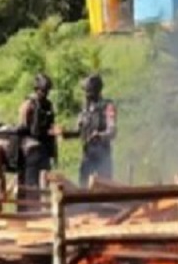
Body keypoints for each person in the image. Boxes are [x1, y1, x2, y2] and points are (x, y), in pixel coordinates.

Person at [62, 74, 117, 187]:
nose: (85, 94)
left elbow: (112, 131)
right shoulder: (85, 109)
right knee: (83, 188)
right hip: (87, 156)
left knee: (105, 189)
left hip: (103, 155)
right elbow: (78, 131)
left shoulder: (108, 106)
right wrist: (65, 133)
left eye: (87, 91)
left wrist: (100, 135)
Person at [16, 73, 59, 211]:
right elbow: (22, 127)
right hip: (30, 148)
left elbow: (51, 129)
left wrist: (54, 152)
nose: (45, 93)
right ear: (37, 89)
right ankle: (30, 211)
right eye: (43, 90)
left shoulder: (48, 105)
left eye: (46, 90)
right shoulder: (29, 104)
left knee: (44, 181)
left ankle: (42, 210)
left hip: (44, 148)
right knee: (30, 183)